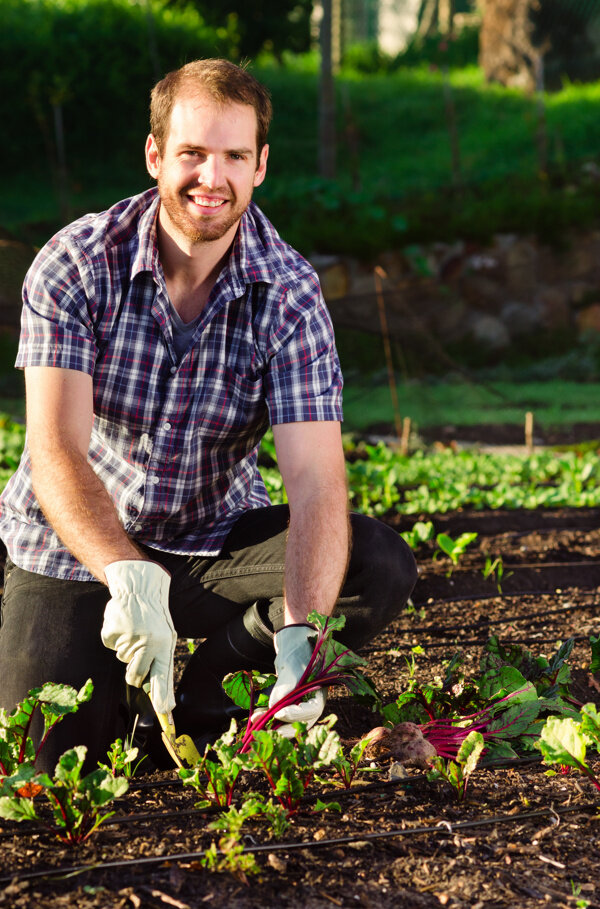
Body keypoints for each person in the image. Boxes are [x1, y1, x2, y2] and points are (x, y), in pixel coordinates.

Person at [0, 59, 417, 772]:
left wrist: (303, 634)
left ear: (260, 165)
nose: (211, 179)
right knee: (50, 764)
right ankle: (116, 687)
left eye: (232, 156)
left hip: (211, 544)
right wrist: (126, 572)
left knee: (374, 562)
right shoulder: (75, 264)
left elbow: (316, 484)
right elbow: (56, 450)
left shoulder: (289, 295)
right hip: (79, 549)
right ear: (156, 155)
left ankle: (208, 694)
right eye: (192, 153)